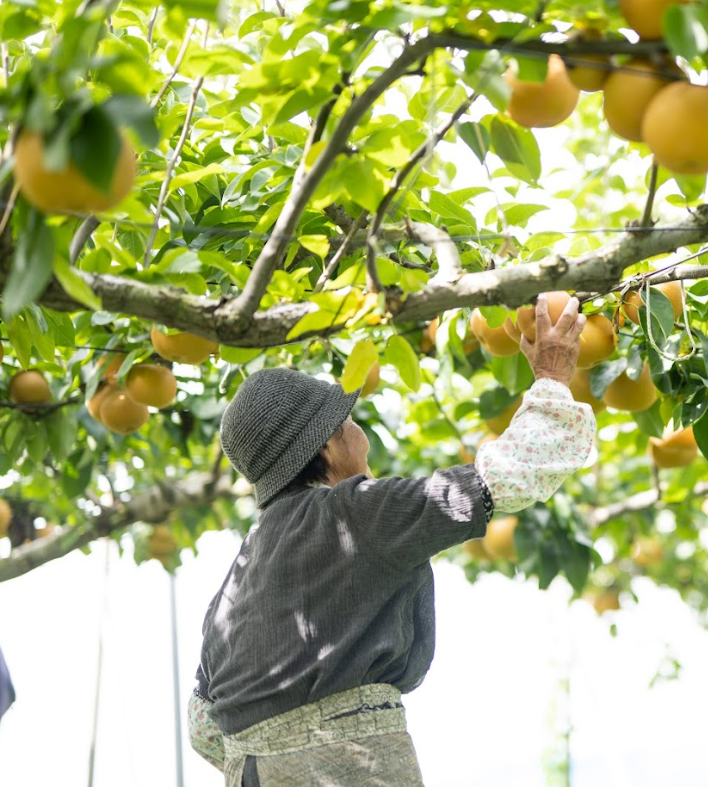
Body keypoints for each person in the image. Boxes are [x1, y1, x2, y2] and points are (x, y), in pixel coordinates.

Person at [189, 295, 596, 786]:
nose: (361, 436)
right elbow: (515, 471)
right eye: (349, 424)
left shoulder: (239, 574)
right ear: (327, 445)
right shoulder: (354, 513)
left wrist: (276, 755)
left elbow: (202, 727)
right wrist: (552, 376)